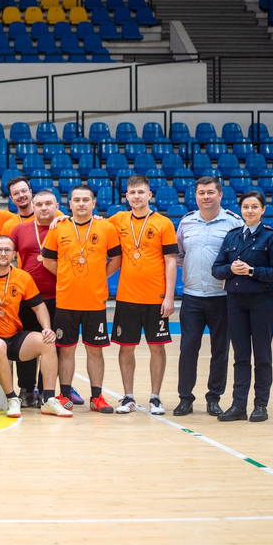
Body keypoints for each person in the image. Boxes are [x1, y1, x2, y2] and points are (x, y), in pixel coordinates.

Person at [211, 191, 273, 423]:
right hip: (235, 302)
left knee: (262, 356)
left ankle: (260, 405)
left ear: (263, 210)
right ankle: (238, 405)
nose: (250, 211)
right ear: (241, 210)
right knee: (241, 356)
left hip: (262, 303)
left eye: (254, 207)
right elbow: (216, 269)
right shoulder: (232, 236)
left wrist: (252, 271)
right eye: (246, 207)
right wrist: (230, 270)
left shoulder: (272, 237)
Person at [41, 185, 121, 414]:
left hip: (95, 301)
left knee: (95, 350)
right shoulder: (58, 227)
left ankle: (96, 397)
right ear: (70, 204)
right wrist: (67, 275)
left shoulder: (106, 227)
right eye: (76, 200)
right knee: (66, 350)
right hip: (66, 301)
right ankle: (65, 395)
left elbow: (116, 258)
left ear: (93, 203)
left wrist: (99, 275)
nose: (81, 203)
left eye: (86, 199)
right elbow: (47, 261)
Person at [0, 236, 67, 418]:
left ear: (14, 254)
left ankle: (48, 399)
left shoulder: (23, 277)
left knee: (47, 342)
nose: (3, 253)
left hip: (14, 336)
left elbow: (39, 307)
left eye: (7, 250)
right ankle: (12, 399)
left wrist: (47, 328)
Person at [107, 175, 177, 415]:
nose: (136, 196)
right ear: (127, 196)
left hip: (156, 298)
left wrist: (169, 297)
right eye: (132, 193)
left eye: (141, 192)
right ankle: (128, 397)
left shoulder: (163, 223)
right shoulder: (118, 220)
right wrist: (61, 218)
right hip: (127, 297)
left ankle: (155, 397)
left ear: (150, 195)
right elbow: (92, 224)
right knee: (126, 347)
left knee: (157, 348)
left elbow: (170, 261)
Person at [174, 176, 243, 416]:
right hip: (192, 296)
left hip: (222, 297)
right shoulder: (186, 222)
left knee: (220, 351)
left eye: (210, 192)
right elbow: (179, 255)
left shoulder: (234, 223)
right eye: (201, 193)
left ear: (220, 194)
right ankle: (185, 398)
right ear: (195, 196)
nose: (206, 197)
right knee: (188, 349)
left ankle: (214, 398)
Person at [10, 189, 63, 407]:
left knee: (52, 345)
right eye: (39, 204)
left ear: (56, 206)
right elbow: (3, 254)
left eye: (48, 203)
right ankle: (25, 389)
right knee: (27, 344)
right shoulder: (20, 230)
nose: (43, 208)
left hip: (59, 297)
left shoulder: (65, 228)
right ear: (33, 207)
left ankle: (45, 391)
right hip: (27, 299)